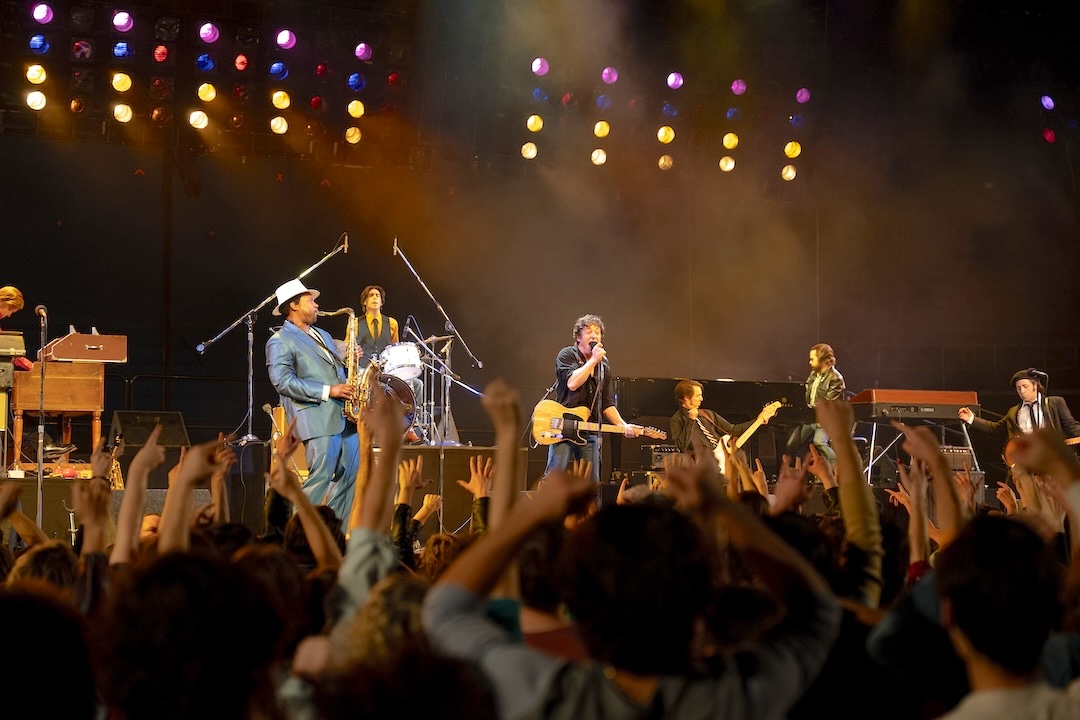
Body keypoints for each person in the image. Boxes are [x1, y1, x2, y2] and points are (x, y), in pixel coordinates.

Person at [266, 279, 360, 521]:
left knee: (350, 478)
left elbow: (332, 364)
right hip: (317, 418)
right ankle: (297, 539)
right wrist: (330, 390)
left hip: (346, 416)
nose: (317, 305)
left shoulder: (324, 335)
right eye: (311, 301)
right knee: (320, 479)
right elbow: (283, 382)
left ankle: (334, 540)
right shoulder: (279, 340)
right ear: (294, 306)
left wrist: (350, 357)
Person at [544, 314, 641, 485]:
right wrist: (593, 360)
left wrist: (623, 425)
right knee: (554, 478)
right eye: (589, 331)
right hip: (563, 427)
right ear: (578, 337)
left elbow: (607, 403)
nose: (594, 335)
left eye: (598, 332)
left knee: (591, 484)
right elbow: (572, 383)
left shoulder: (603, 367)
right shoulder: (567, 355)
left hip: (589, 430)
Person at [358, 284, 422, 442]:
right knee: (361, 383)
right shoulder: (355, 323)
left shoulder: (392, 323)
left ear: (382, 302)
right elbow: (347, 347)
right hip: (364, 368)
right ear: (364, 302)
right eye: (371, 295)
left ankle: (409, 426)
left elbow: (395, 348)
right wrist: (351, 352)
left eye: (377, 296)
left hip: (385, 370)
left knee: (417, 384)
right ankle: (363, 426)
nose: (374, 298)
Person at [958, 367, 1080, 440]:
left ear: (1035, 386)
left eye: (1025, 386)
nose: (1022, 391)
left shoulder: (1054, 403)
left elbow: (1071, 426)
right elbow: (994, 429)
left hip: (1052, 462)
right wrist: (971, 419)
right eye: (1018, 388)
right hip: (1026, 465)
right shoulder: (1014, 412)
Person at [670, 378, 772, 456]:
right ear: (686, 398)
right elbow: (682, 446)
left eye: (701, 395)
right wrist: (690, 420)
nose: (701, 399)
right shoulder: (677, 419)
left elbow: (733, 430)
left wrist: (758, 421)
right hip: (701, 469)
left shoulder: (707, 414)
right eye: (697, 396)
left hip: (721, 461)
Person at [787, 342, 845, 464]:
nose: (810, 362)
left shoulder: (836, 378)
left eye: (812, 359)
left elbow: (828, 403)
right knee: (791, 444)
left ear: (823, 360)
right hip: (810, 418)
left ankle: (839, 467)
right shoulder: (814, 375)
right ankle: (795, 472)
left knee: (819, 442)